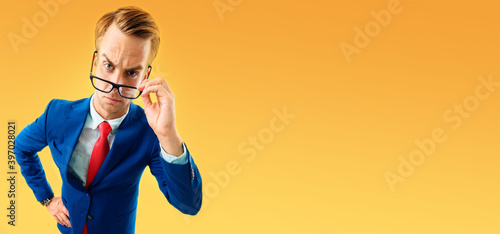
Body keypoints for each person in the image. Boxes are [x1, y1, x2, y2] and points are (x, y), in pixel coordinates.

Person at [14, 6, 202, 234]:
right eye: (109, 66)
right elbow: (22, 148)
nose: (115, 84)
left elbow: (189, 204)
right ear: (95, 62)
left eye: (131, 73)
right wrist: (46, 199)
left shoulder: (151, 134)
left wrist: (168, 135)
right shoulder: (57, 114)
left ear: (145, 77)